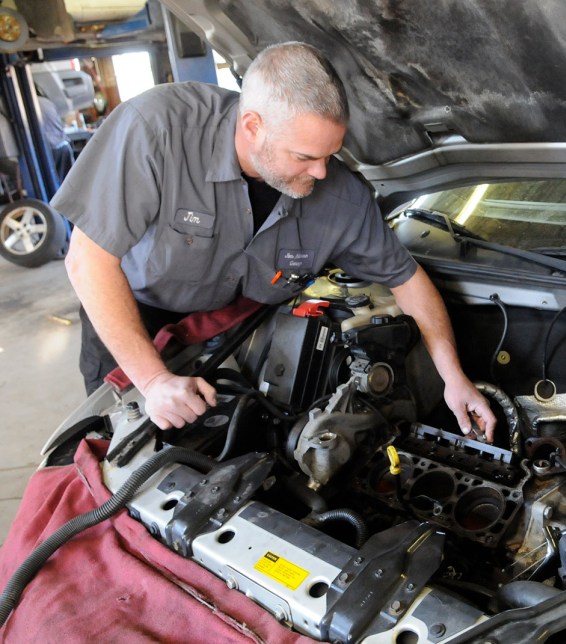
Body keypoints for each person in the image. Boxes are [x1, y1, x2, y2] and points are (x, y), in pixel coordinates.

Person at [54, 42, 496, 441]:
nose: (322, 172)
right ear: (253, 126)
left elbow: (407, 279)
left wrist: (452, 378)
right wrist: (152, 381)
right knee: (119, 446)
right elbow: (88, 262)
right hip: (133, 314)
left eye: (331, 154)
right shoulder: (158, 131)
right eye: (305, 157)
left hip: (231, 328)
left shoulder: (339, 196)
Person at [36, 93, 74, 181]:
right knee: (69, 183)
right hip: (63, 145)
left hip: (50, 149)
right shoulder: (47, 102)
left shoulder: (25, 104)